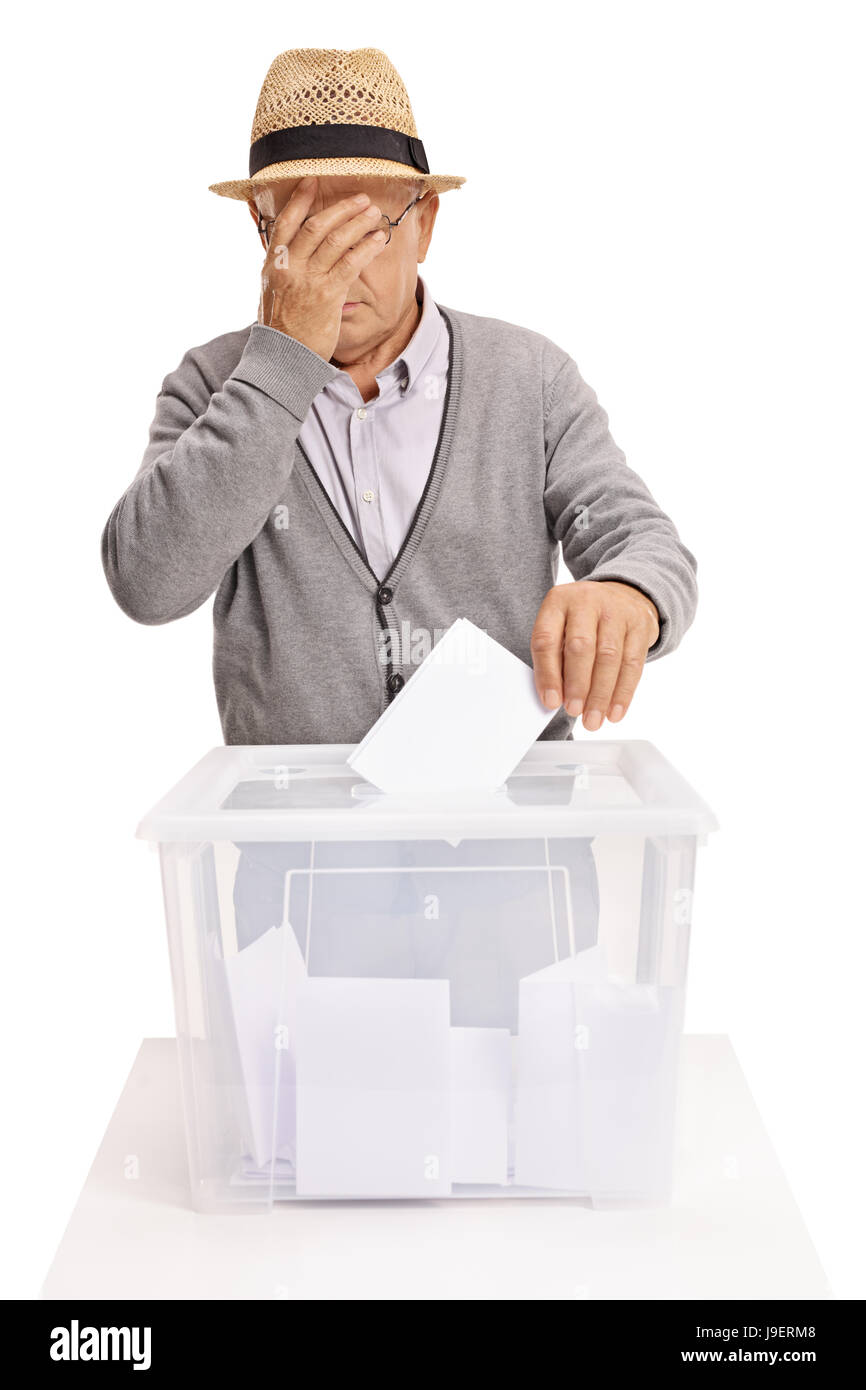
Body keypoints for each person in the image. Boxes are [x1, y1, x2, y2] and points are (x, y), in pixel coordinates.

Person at [101, 48, 699, 996]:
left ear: (426, 222)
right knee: (315, 1141)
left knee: (530, 1136)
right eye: (303, 224)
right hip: (301, 905)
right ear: (262, 235)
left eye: (368, 226)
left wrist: (627, 595)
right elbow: (147, 580)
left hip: (518, 893)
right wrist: (279, 368)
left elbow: (642, 540)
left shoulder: (529, 379)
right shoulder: (216, 387)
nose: (339, 263)